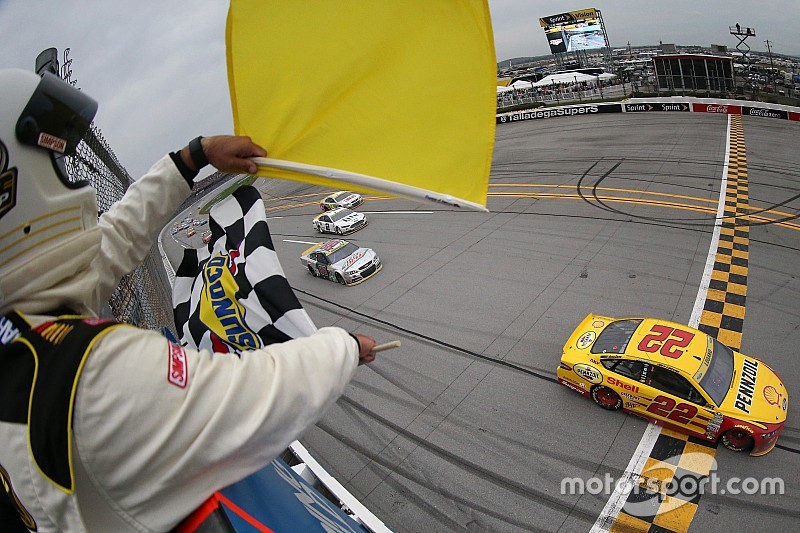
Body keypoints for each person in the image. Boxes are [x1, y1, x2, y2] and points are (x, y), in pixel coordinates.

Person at [0, 68, 377, 532]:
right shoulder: (88, 371)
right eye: (58, 163)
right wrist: (342, 347)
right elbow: (252, 398)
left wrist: (192, 158)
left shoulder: (22, 320)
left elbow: (114, 239)